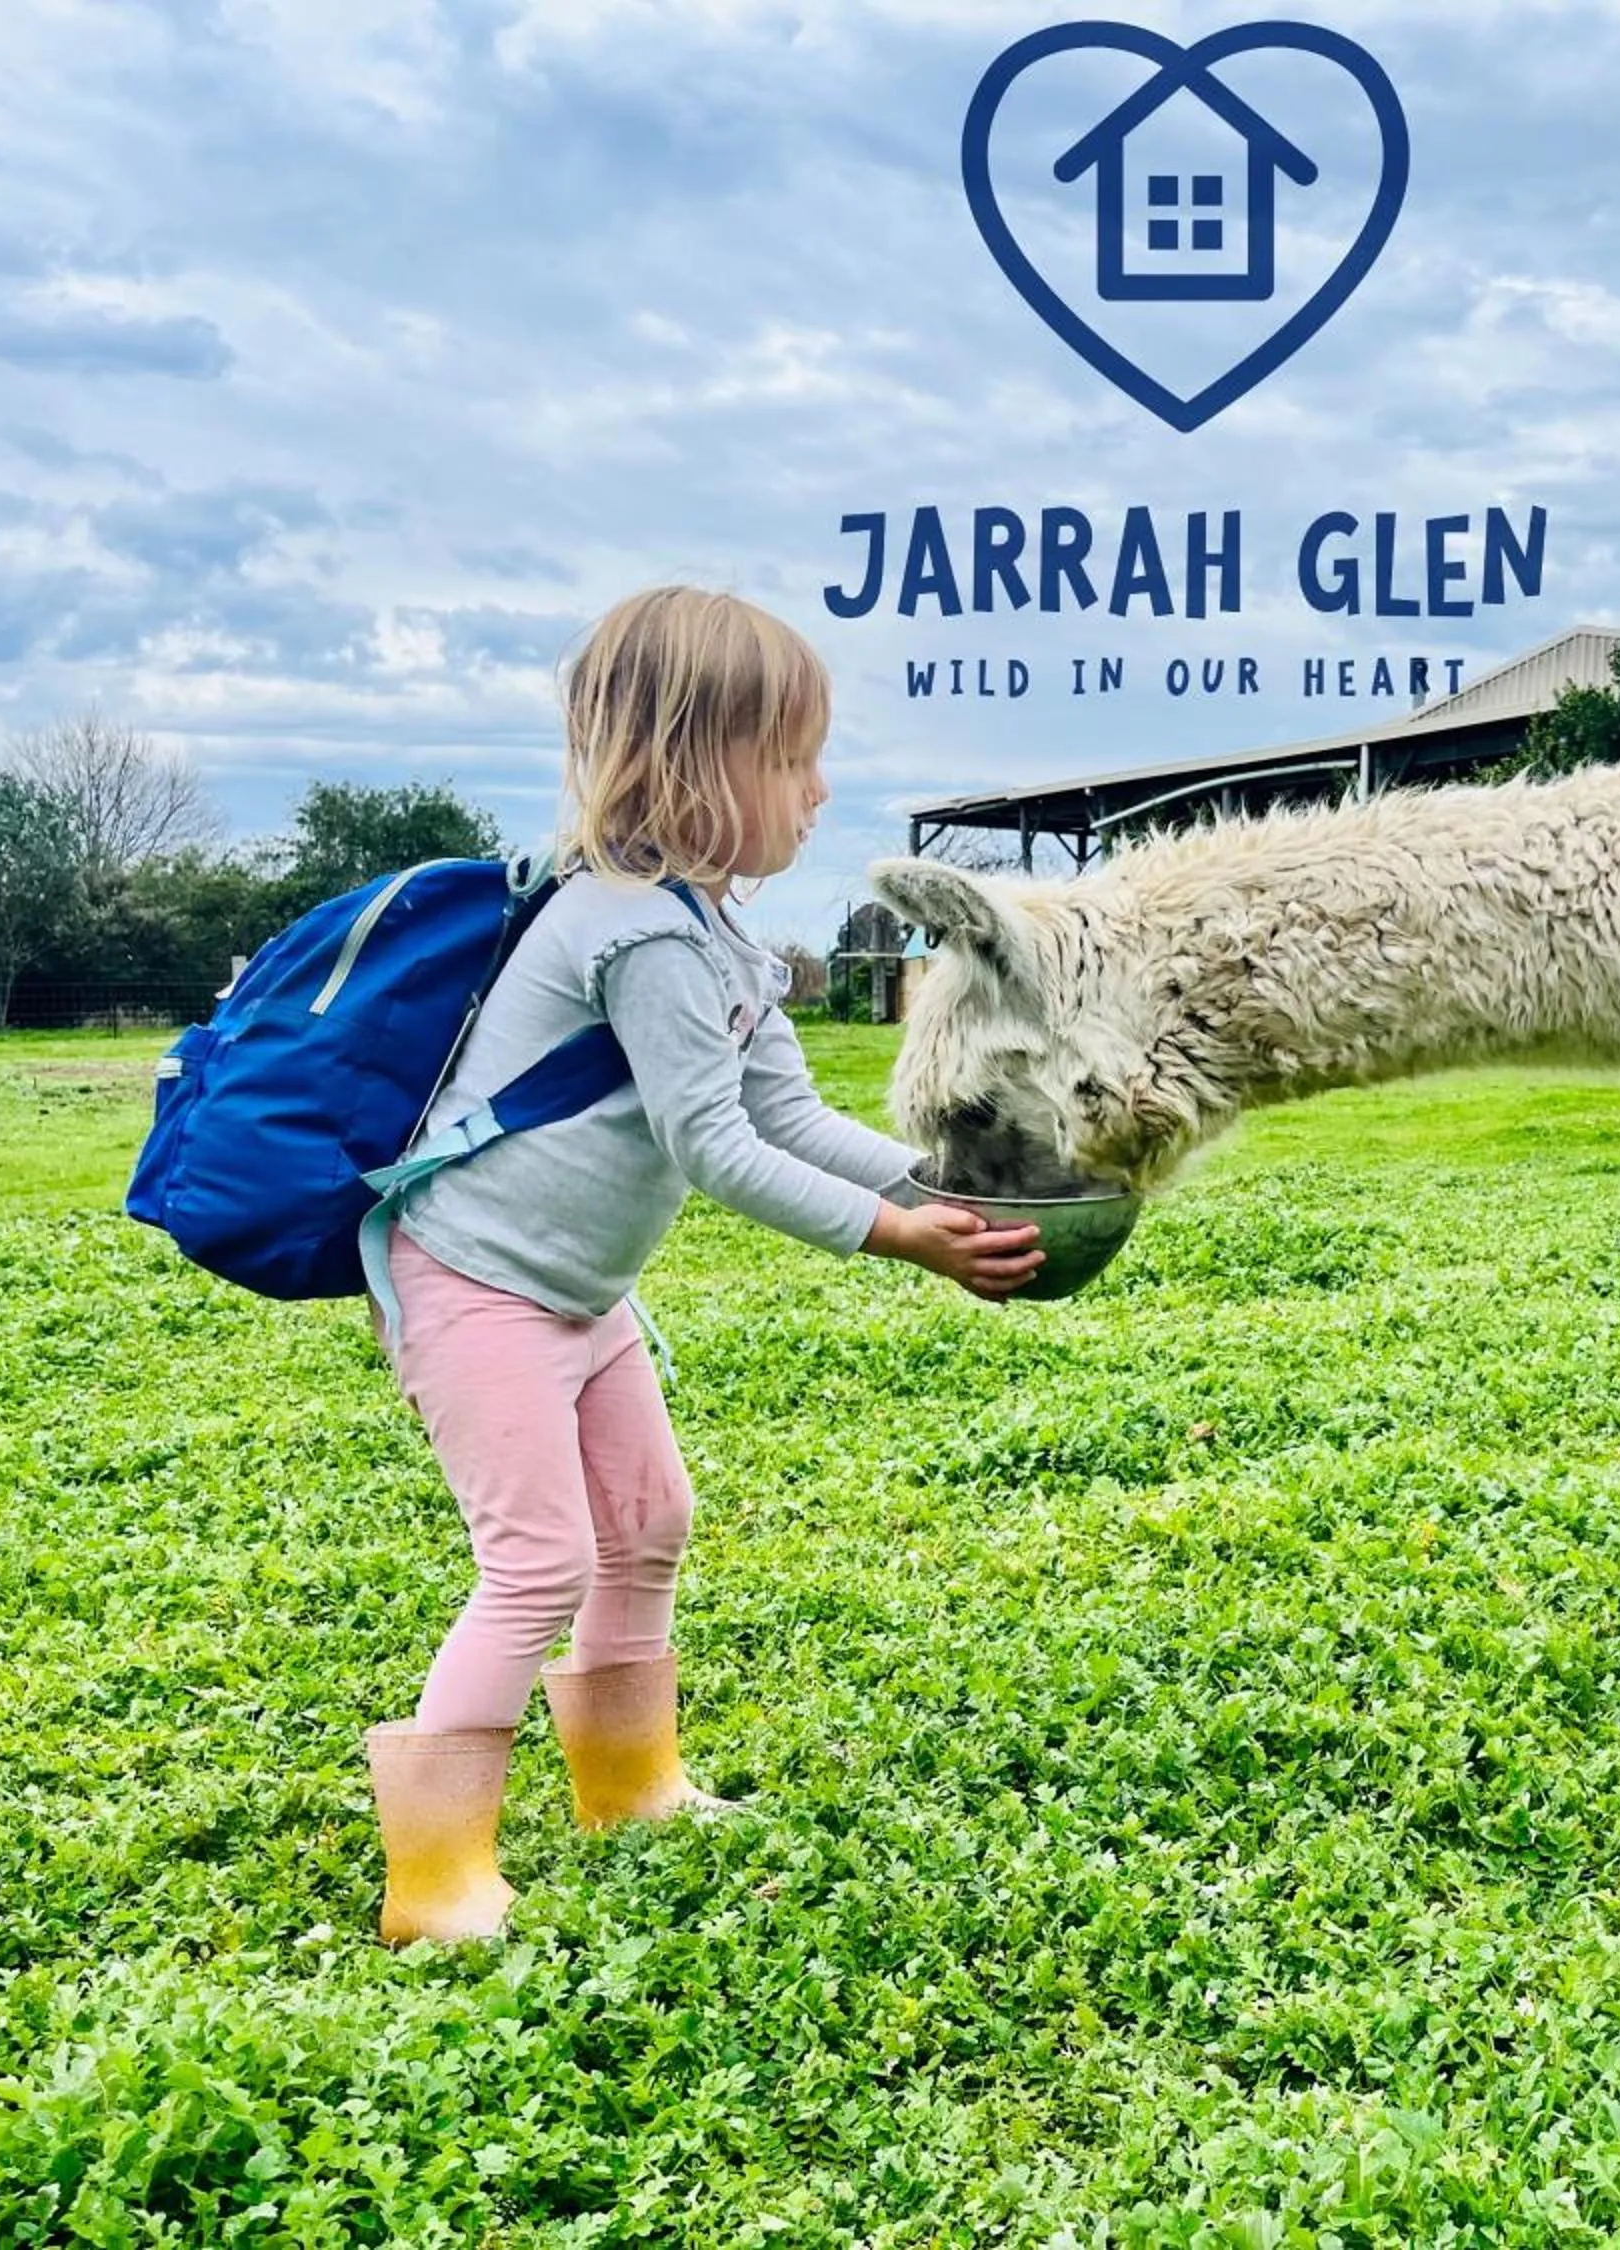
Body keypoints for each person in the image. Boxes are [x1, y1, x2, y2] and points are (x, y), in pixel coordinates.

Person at [363, 584, 1038, 1946]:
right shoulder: (639, 930)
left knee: (651, 1516)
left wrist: (932, 1181)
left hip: (580, 1296)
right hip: (477, 1284)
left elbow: (786, 1112)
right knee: (538, 1559)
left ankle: (629, 1786)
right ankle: (435, 1881)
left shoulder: (715, 930)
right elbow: (718, 1145)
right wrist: (898, 1238)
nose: (818, 788)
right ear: (692, 766)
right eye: (791, 758)